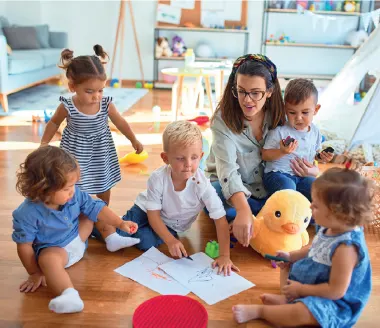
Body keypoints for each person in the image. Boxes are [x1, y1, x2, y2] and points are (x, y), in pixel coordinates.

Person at [233, 168, 373, 327]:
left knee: (303, 313)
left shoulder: (346, 249)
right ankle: (288, 300)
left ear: (337, 213)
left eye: (317, 205)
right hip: (320, 281)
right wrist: (290, 256)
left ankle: (261, 311)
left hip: (336, 302)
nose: (311, 207)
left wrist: (302, 289)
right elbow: (316, 248)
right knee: (289, 265)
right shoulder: (331, 225)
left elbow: (336, 291)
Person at [40, 45, 143, 252]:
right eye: (89, 91)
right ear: (72, 87)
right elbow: (52, 123)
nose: (96, 96)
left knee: (104, 187)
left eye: (100, 90)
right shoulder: (67, 106)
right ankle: (77, 226)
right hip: (74, 153)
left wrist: (134, 140)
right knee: (75, 189)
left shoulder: (106, 104)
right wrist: (44, 143)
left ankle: (104, 222)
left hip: (100, 152)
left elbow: (121, 122)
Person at [12, 146, 139, 313]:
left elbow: (96, 209)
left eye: (73, 185)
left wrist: (120, 223)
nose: (73, 191)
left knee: (95, 206)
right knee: (48, 260)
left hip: (79, 236)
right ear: (43, 189)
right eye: (66, 188)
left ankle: (112, 238)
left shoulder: (74, 194)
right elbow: (24, 246)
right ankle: (68, 294)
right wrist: (35, 273)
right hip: (58, 252)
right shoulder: (26, 213)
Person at [118, 121, 238, 275]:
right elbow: (152, 215)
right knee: (120, 233)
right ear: (165, 158)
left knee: (146, 243)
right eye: (180, 158)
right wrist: (170, 240)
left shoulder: (203, 185)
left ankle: (134, 230)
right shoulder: (158, 178)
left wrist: (224, 256)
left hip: (171, 226)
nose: (188, 164)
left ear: (201, 156)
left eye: (194, 157)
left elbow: (220, 220)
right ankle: (100, 221)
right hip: (143, 210)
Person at [205, 54, 286, 247]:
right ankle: (256, 216)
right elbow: (227, 172)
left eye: (256, 93)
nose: (247, 100)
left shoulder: (278, 116)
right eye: (241, 91)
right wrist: (242, 210)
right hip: (228, 186)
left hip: (265, 184)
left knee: (295, 191)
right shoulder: (222, 120)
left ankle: (254, 216)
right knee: (211, 198)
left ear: (269, 91)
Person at [262, 78, 334, 201]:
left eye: (305, 112)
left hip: (301, 176)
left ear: (316, 110)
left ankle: (312, 218)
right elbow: (264, 155)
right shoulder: (280, 130)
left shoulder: (315, 132)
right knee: (288, 187)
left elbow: (313, 154)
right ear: (285, 109)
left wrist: (320, 157)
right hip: (277, 174)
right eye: (292, 112)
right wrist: (282, 152)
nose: (299, 118)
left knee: (318, 189)